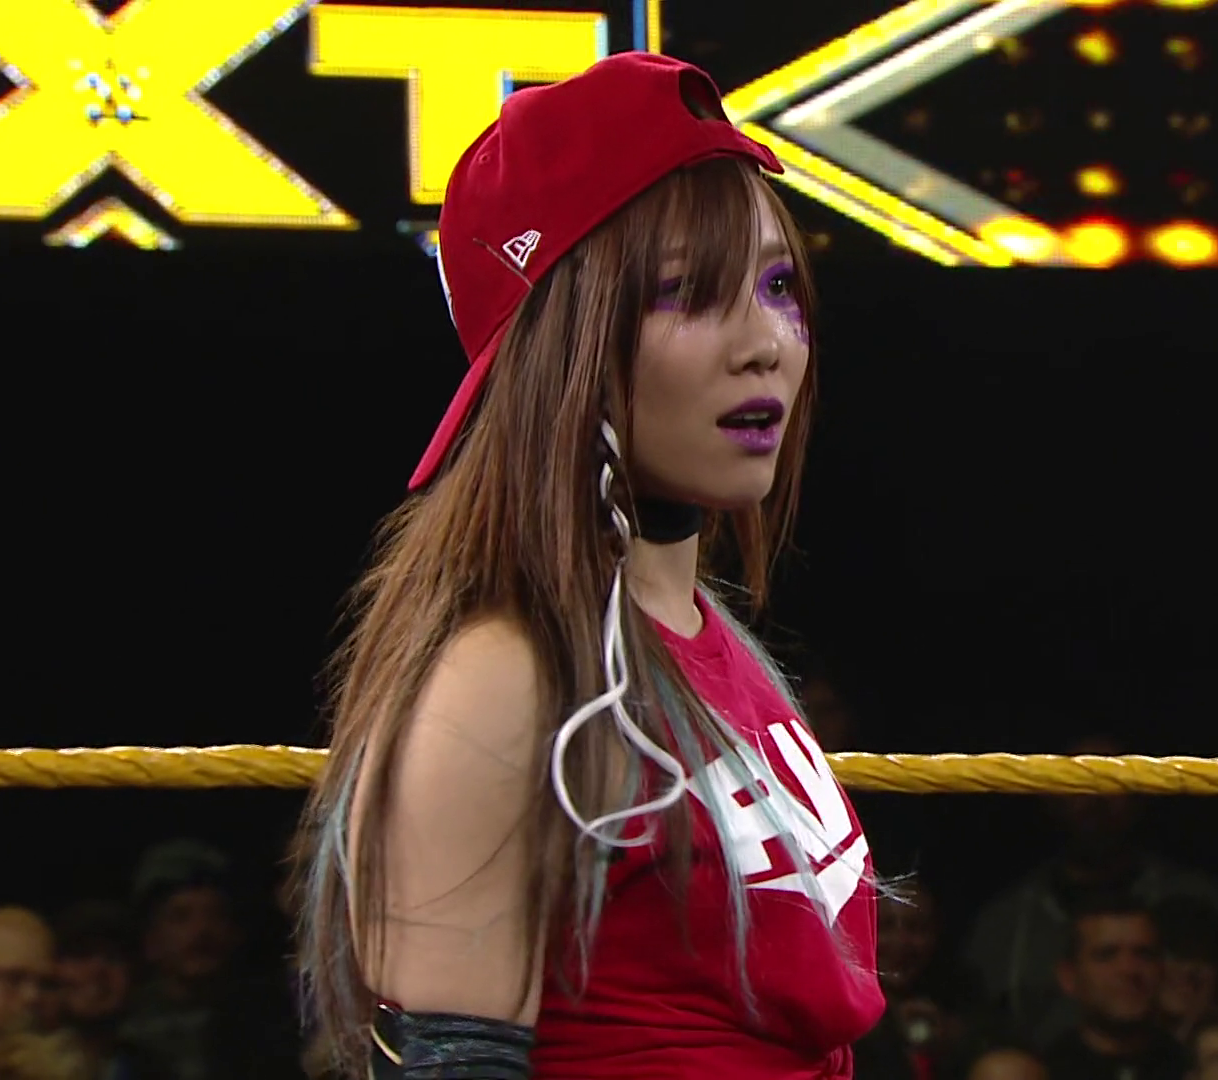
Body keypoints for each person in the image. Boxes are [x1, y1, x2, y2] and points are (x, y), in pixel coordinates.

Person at [289, 52, 883, 1080]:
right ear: (565, 345)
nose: (767, 344)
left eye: (779, 285)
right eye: (686, 294)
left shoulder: (701, 641)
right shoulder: (508, 671)